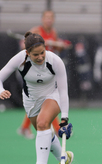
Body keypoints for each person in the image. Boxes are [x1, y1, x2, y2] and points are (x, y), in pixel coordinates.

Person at [0, 32, 74, 164]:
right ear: (27, 53)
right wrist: (0, 90)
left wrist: (64, 118)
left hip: (52, 95)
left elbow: (63, 91)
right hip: (30, 101)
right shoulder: (19, 59)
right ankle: (65, 158)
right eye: (35, 54)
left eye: (42, 52)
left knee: (43, 123)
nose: (40, 57)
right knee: (45, 135)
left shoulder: (55, 61)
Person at [18, 10, 71, 139]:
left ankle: (25, 128)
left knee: (45, 100)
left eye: (51, 18)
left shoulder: (54, 33)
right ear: (42, 19)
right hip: (34, 71)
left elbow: (57, 48)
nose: (49, 20)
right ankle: (56, 127)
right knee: (43, 100)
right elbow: (23, 46)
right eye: (46, 17)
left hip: (47, 71)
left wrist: (60, 45)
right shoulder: (36, 30)